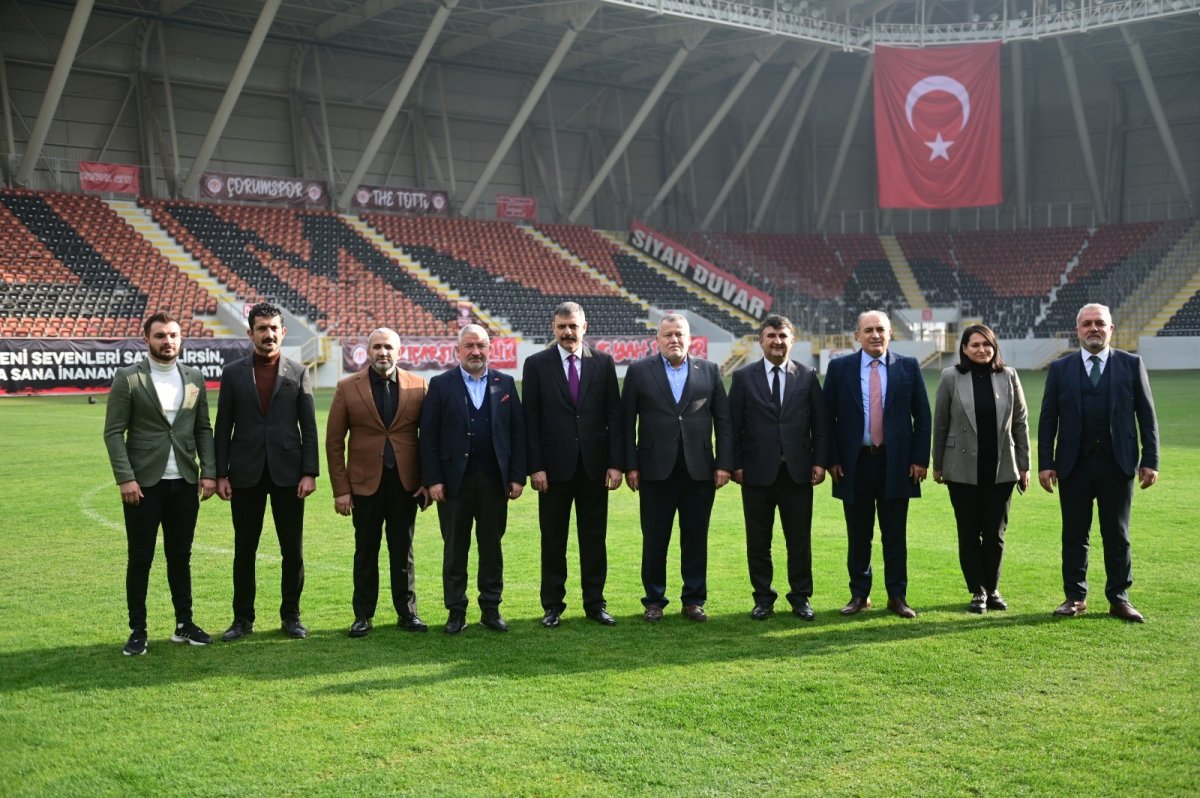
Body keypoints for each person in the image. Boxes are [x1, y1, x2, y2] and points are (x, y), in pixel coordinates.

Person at [103, 311, 217, 655]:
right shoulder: (128, 378)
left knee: (180, 557)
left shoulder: (194, 377)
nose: (167, 341)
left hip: (184, 482)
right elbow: (113, 433)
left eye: (173, 335)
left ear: (181, 339)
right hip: (143, 486)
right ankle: (138, 630)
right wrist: (126, 478)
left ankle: (185, 623)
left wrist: (208, 471)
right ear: (146, 340)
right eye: (160, 336)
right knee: (140, 558)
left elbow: (202, 429)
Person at [1038, 303, 1159, 623]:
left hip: (1118, 464)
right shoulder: (1060, 369)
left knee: (1117, 534)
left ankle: (1119, 597)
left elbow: (1147, 416)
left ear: (1111, 329)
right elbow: (1048, 419)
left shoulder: (1131, 364)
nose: (1093, 328)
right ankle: (1075, 597)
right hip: (1073, 465)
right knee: (1074, 534)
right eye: (1087, 324)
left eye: (1100, 323)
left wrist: (1151, 459)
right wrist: (1046, 462)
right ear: (1077, 330)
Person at [213, 303, 318, 641]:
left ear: (283, 332)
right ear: (250, 333)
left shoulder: (298, 372)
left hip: (289, 474)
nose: (268, 334)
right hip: (245, 473)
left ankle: (291, 616)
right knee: (244, 548)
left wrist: (309, 472)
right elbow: (223, 427)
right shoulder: (233, 373)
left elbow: (309, 428)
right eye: (262, 328)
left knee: (293, 550)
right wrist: (220, 474)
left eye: (274, 328)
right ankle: (242, 618)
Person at [622, 313, 733, 623]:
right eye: (668, 334)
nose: (674, 339)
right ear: (657, 340)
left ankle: (693, 599)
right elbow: (625, 422)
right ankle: (654, 601)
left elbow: (724, 421)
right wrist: (630, 465)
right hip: (654, 471)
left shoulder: (709, 371)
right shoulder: (639, 371)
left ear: (690, 339)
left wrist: (724, 463)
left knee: (696, 538)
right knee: (655, 538)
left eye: (679, 334)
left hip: (699, 472)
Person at [823, 310, 931, 619]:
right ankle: (860, 595)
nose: (875, 335)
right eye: (868, 330)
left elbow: (922, 417)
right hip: (854, 465)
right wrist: (832, 459)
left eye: (880, 329)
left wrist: (919, 459)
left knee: (895, 534)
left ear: (890, 333)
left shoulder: (908, 367)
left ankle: (897, 596)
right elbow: (826, 419)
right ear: (856, 335)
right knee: (858, 534)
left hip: (896, 464)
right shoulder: (840, 368)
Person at [420, 324, 526, 634]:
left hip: (495, 481)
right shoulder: (441, 385)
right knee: (455, 548)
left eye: (481, 345)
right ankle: (456, 611)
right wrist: (433, 480)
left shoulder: (504, 383)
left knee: (492, 547)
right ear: (458, 350)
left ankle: (490, 608)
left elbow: (517, 433)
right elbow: (428, 437)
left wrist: (517, 476)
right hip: (454, 483)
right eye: (469, 346)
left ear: (490, 349)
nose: (475, 351)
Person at [522, 302, 623, 628]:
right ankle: (552, 605)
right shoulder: (536, 364)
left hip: (594, 469)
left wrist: (615, 464)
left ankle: (595, 603)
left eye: (573, 326)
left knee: (594, 539)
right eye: (562, 326)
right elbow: (530, 420)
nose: (568, 332)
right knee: (553, 540)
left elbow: (614, 418)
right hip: (552, 471)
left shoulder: (604, 363)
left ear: (584, 327)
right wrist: (535, 467)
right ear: (553, 327)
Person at [327, 327, 430, 638]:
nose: (382, 352)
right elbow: (334, 442)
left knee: (403, 551)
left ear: (399, 352)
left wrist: (427, 481)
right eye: (377, 347)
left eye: (388, 347)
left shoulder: (419, 385)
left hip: (405, 485)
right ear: (367, 351)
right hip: (364, 486)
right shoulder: (347, 387)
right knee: (365, 551)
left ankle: (407, 613)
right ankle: (362, 615)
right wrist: (341, 489)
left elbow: (430, 439)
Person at [729, 314, 829, 621]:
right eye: (771, 335)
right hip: (756, 474)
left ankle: (800, 597)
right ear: (760, 340)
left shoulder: (808, 376)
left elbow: (821, 425)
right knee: (758, 541)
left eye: (783, 336)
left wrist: (820, 461)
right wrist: (734, 465)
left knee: (799, 541)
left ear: (792, 340)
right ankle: (763, 598)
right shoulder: (743, 377)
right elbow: (732, 426)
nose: (777, 341)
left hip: (797, 473)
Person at [932, 325, 1030, 614]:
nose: (981, 350)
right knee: (968, 533)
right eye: (974, 345)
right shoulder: (950, 377)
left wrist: (1025, 466)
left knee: (995, 534)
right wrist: (937, 464)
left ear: (994, 346)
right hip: (961, 468)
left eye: (986, 344)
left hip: (1000, 469)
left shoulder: (1009, 376)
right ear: (964, 348)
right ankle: (977, 591)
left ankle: (993, 588)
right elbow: (940, 423)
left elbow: (1021, 424)